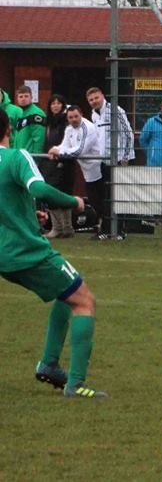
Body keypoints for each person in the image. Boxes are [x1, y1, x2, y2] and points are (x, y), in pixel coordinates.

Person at [0, 109, 106, 398]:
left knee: (66, 294)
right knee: (84, 300)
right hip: (25, 252)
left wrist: (27, 213)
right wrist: (76, 202)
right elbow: (39, 187)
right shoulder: (16, 157)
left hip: (4, 254)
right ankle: (76, 384)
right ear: (8, 128)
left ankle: (48, 364)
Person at [86, 87, 134, 240]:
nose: (94, 101)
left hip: (119, 160)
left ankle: (121, 230)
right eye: (91, 100)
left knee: (118, 197)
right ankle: (106, 229)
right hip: (103, 161)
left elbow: (127, 133)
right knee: (105, 197)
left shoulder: (115, 111)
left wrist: (125, 157)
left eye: (96, 98)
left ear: (102, 96)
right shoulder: (94, 115)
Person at [49, 106, 102, 235]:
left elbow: (80, 150)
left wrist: (59, 152)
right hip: (86, 169)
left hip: (98, 167)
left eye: (76, 116)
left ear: (81, 115)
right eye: (70, 117)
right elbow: (65, 146)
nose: (73, 120)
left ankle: (105, 227)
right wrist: (55, 149)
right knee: (94, 199)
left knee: (100, 199)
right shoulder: (69, 130)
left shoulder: (88, 127)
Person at [41, 95, 74, 238]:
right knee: (51, 194)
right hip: (49, 162)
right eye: (52, 103)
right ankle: (57, 227)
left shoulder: (66, 123)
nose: (55, 106)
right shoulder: (48, 123)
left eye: (58, 103)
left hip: (64, 162)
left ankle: (67, 228)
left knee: (64, 193)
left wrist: (60, 155)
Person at [12, 85, 45, 155]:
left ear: (31, 97)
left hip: (30, 156)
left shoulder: (36, 113)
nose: (23, 99)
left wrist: (36, 156)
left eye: (26, 96)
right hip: (19, 155)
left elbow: (39, 138)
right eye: (21, 96)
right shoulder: (20, 113)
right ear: (17, 99)